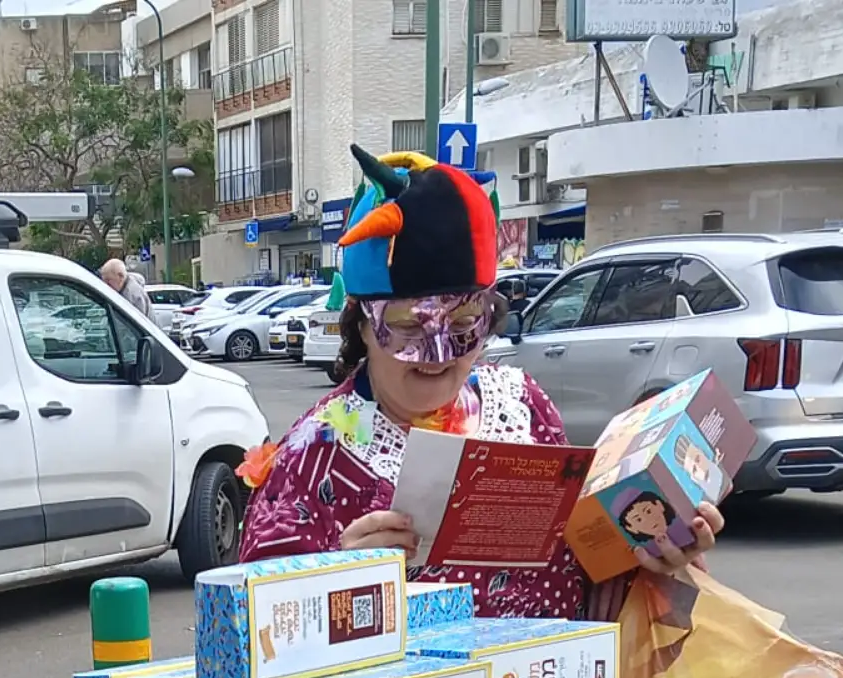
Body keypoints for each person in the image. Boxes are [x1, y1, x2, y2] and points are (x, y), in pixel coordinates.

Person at [238, 147, 721, 617]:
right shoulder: (311, 457)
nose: (439, 355)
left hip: (552, 669)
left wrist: (654, 555)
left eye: (464, 322)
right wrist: (333, 580)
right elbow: (252, 621)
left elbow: (589, 562)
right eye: (407, 327)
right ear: (363, 325)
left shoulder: (522, 406)